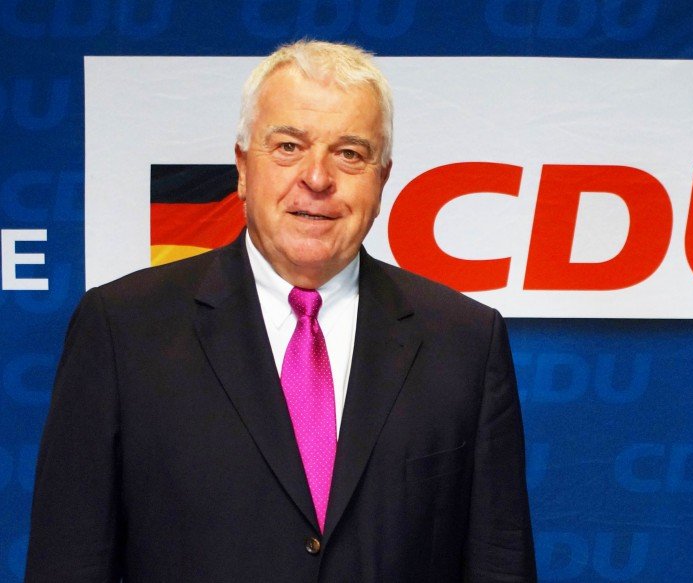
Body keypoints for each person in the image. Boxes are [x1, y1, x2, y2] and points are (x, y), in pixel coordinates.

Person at [26, 40, 537, 582]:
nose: (317, 178)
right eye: (289, 146)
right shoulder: (122, 329)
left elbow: (499, 563)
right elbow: (69, 562)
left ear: (383, 178)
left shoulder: (465, 341)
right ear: (243, 168)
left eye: (349, 153)